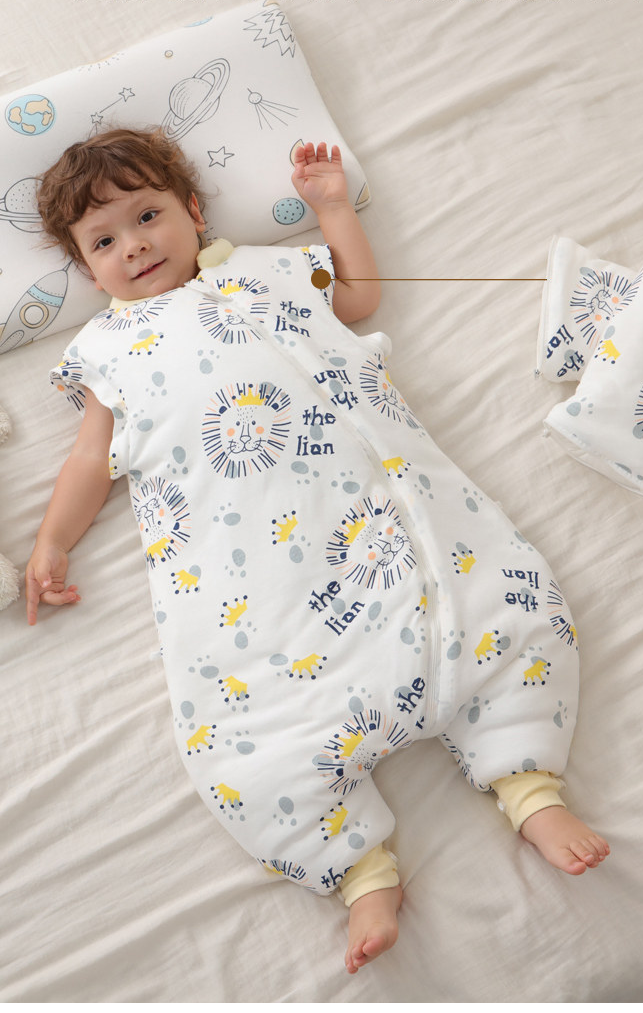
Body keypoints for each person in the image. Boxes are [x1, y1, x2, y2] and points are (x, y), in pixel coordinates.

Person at [27, 129, 609, 975]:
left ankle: (529, 788)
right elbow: (91, 459)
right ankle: (360, 873)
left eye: (147, 216)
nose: (135, 246)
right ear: (88, 271)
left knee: (506, 609)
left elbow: (360, 297)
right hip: (253, 579)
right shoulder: (107, 350)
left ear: (193, 211)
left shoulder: (268, 270)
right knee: (251, 736)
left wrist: (333, 208)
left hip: (386, 522)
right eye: (104, 241)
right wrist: (52, 540)